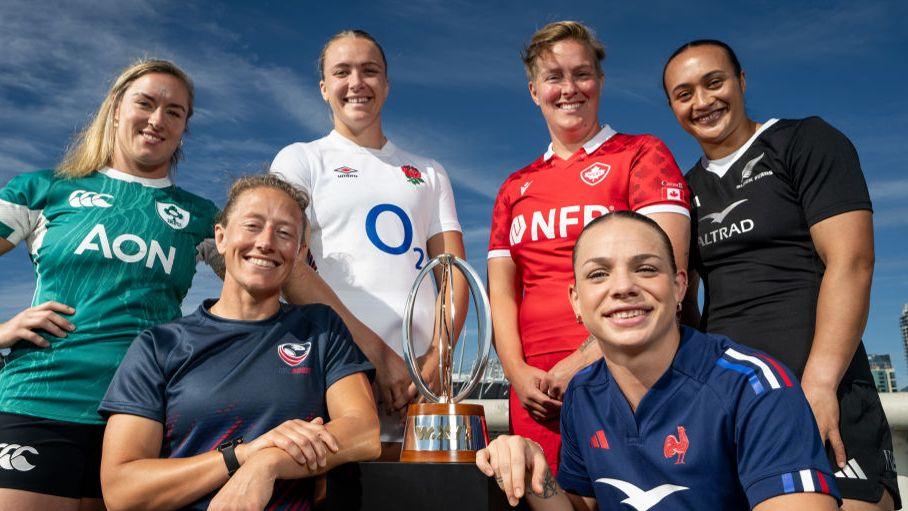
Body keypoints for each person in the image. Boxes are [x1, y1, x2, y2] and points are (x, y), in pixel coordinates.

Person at [662, 40, 899, 510]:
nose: (703, 101)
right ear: (673, 107)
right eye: (684, 93)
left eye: (715, 82)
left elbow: (852, 262)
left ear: (742, 81)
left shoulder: (804, 140)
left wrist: (820, 384)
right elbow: (684, 306)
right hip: (731, 399)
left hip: (821, 387)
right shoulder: (683, 190)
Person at [477, 211, 841, 510]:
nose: (622, 287)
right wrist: (532, 471)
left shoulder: (754, 386)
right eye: (598, 274)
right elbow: (582, 507)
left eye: (646, 269)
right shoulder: (582, 395)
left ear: (680, 285)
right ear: (575, 300)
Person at [0, 59, 220, 511]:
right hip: (38, 400)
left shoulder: (202, 217)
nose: (158, 119)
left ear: (184, 128)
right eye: (146, 103)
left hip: (143, 415)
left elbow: (266, 276)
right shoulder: (42, 190)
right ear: (116, 108)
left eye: (174, 111)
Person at [98, 175, 380, 510]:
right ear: (221, 237)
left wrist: (267, 464)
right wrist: (241, 456)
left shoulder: (320, 329)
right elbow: (122, 491)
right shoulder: (159, 345)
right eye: (252, 226)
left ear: (299, 253)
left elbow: (363, 434)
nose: (266, 242)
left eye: (285, 233)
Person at [487, 21, 691, 473]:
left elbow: (668, 274)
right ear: (533, 91)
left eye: (581, 74)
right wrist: (517, 372)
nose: (569, 89)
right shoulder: (513, 187)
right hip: (536, 394)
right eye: (553, 77)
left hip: (627, 376)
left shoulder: (642, 154)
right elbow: (502, 291)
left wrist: (581, 361)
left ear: (599, 81)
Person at [270, 29, 466, 444]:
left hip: (421, 388)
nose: (357, 82)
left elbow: (453, 274)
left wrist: (435, 359)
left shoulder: (429, 171)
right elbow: (286, 268)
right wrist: (375, 355)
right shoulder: (301, 159)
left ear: (386, 85)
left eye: (369, 70)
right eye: (342, 72)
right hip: (333, 372)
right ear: (324, 88)